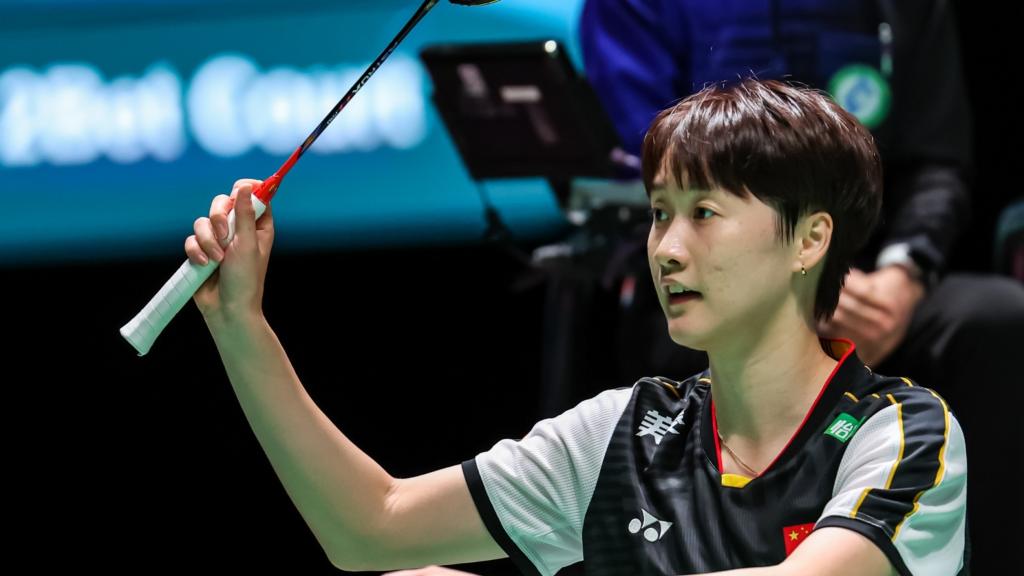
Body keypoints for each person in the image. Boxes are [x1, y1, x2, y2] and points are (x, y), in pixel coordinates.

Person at [185, 79, 965, 575]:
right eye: (658, 213)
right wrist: (240, 324)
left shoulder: (902, 434)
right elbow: (370, 527)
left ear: (810, 240)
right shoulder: (625, 434)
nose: (667, 248)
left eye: (703, 213)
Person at [577, 2, 1024, 571]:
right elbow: (647, 159)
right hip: (716, 278)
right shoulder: (596, 429)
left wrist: (902, 273)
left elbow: (937, 161)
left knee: (997, 318)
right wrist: (771, 280)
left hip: (871, 272)